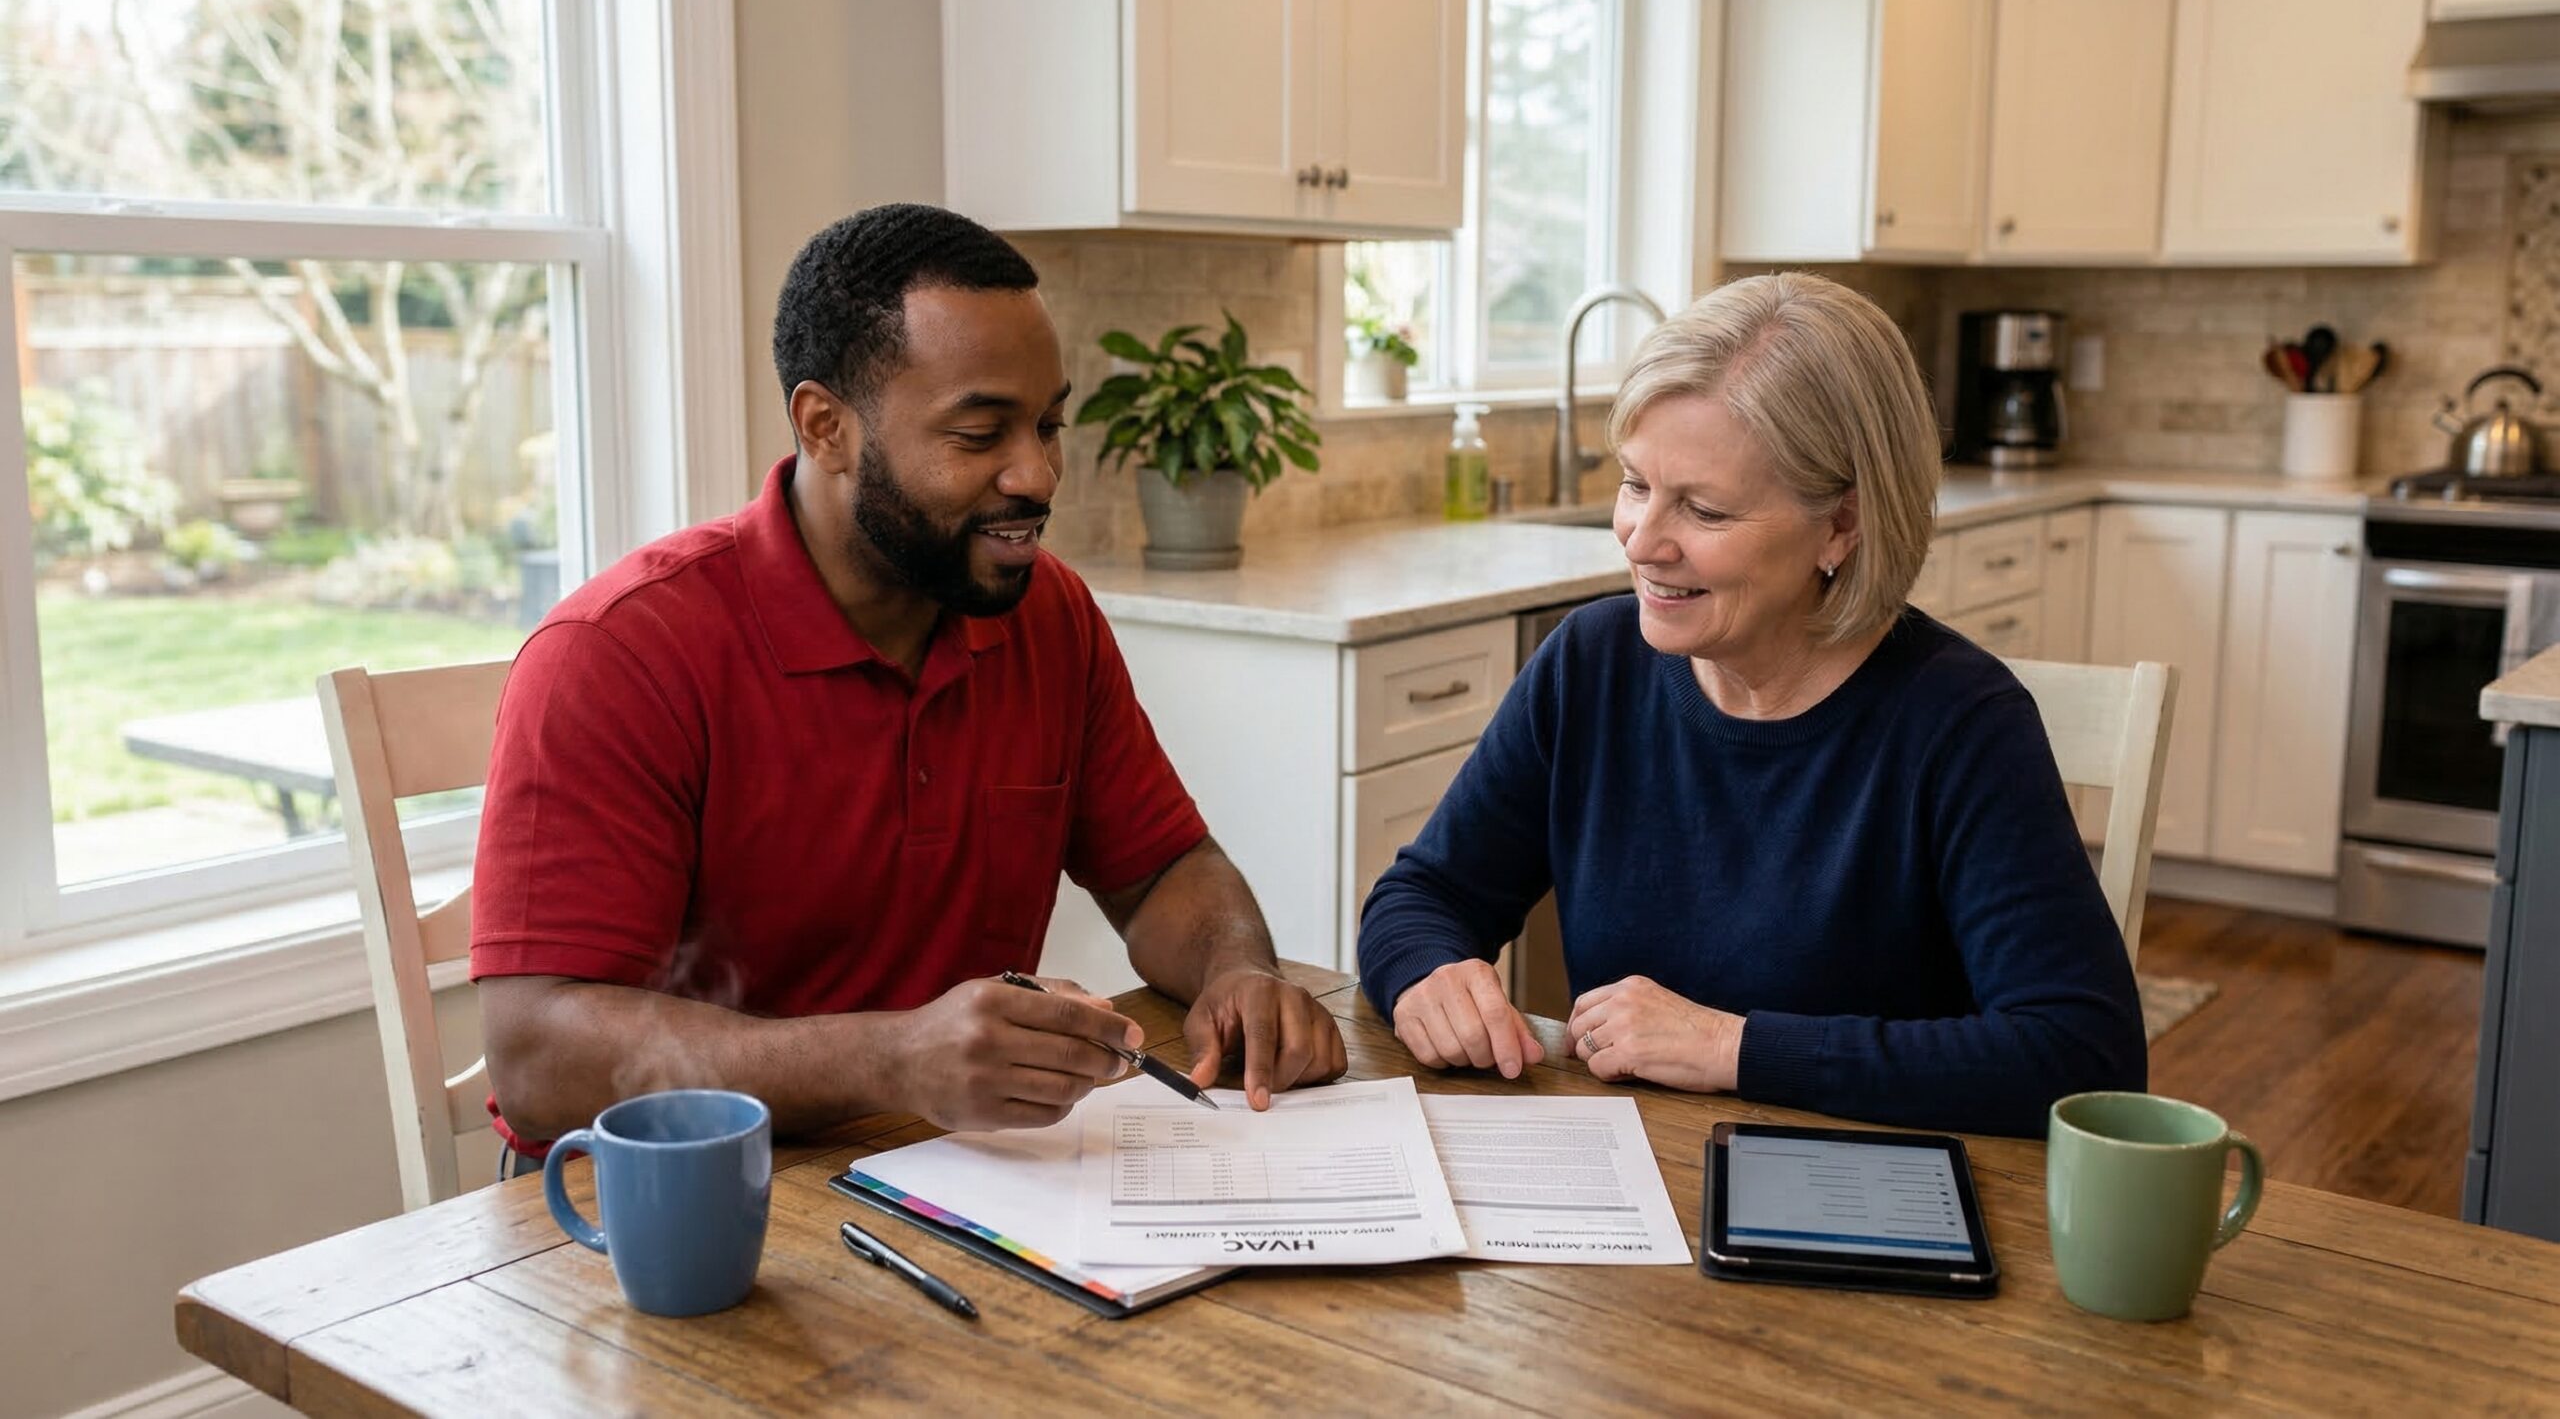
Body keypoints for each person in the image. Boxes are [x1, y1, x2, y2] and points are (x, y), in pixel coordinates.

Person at [471, 204, 1346, 1162]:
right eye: (981, 435)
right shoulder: (616, 657)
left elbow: (1163, 873)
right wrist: (889, 1060)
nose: (1038, 473)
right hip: (662, 1212)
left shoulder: (1048, 616)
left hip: (942, 1170)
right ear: (826, 426)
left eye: (1049, 423)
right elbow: (536, 1056)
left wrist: (1237, 967)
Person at [1356, 272, 2144, 1138]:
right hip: (1636, 1186)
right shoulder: (1589, 665)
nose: (1644, 540)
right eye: (1633, 484)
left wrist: (1732, 1047)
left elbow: (2083, 1054)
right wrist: (1426, 974)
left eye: (1703, 508)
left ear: (1842, 525)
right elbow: (1421, 895)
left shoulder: (1962, 723)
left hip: (1862, 1206)